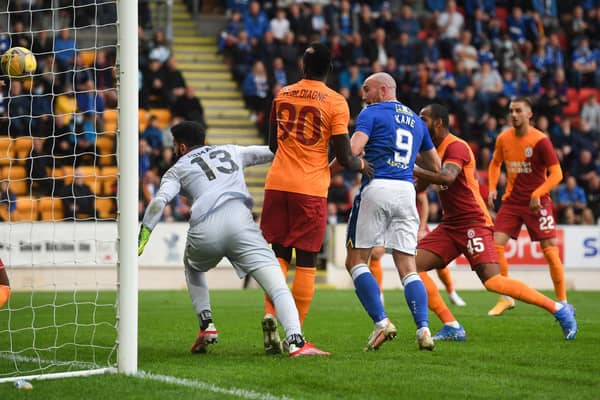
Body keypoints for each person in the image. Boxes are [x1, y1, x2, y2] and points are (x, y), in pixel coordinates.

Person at [137, 121, 328, 357]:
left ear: (182, 147)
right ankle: (296, 341)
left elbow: (158, 201)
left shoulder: (177, 169)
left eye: (175, 145)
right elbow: (271, 151)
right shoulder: (231, 150)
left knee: (193, 267)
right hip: (241, 224)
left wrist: (144, 233)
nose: (174, 149)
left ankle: (206, 324)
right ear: (204, 140)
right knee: (278, 285)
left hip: (205, 227)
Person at [414, 104, 577, 341]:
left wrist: (415, 168)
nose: (419, 123)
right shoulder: (431, 153)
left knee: (492, 281)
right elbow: (421, 186)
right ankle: (452, 326)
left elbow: (447, 176)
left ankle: (559, 309)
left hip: (473, 222)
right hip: (450, 225)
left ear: (438, 122)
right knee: (411, 266)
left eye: (423, 119)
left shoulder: (456, 146)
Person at [260, 43, 374, 354]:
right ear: (330, 69)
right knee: (307, 259)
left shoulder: (282, 93)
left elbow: (272, 146)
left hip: (277, 183)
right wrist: (363, 165)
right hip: (308, 187)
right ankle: (295, 336)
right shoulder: (336, 102)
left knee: (279, 254)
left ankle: (270, 314)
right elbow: (346, 157)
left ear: (302, 64)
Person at [334, 72, 441, 351]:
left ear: (383, 90)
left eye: (367, 89)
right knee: (408, 267)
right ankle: (424, 330)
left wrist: (325, 171)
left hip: (378, 186)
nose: (363, 94)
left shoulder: (371, 113)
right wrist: (414, 175)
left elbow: (353, 151)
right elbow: (437, 165)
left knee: (356, 261)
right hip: (406, 191)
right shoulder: (416, 120)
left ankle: (382, 323)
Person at [487, 97, 572, 316]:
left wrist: (538, 193)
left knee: (550, 250)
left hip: (538, 203)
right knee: (495, 246)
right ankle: (506, 298)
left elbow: (557, 174)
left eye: (518, 111)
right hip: (512, 201)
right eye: (511, 111)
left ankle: (563, 302)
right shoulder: (503, 138)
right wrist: (493, 187)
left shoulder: (540, 141)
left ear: (529, 114)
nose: (513, 115)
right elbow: (495, 163)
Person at [368, 191, 467, 307]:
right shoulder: (381, 176)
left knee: (437, 259)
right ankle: (379, 295)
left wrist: (422, 228)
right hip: (391, 223)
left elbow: (423, 201)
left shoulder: (409, 175)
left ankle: (451, 292)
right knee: (375, 253)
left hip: (413, 225)